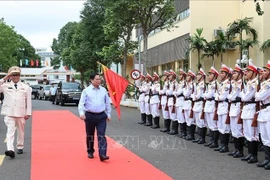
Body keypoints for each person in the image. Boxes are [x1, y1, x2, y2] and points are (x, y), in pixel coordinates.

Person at [78, 72, 111, 161]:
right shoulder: (86, 91)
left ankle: (103, 154)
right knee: (90, 135)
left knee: (101, 135)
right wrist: (81, 113)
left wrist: (109, 114)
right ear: (91, 80)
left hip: (101, 116)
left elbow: (107, 103)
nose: (99, 81)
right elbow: (81, 103)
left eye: (99, 79)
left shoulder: (103, 90)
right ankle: (90, 151)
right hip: (89, 115)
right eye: (96, 79)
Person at [0, 66, 32, 158]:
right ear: (10, 76)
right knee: (10, 132)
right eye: (13, 75)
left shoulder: (25, 87)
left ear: (19, 76)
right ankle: (10, 150)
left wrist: (28, 112)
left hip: (21, 112)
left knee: (20, 131)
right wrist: (5, 78)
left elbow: (28, 101)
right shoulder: (5, 86)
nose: (15, 77)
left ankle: (20, 146)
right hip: (9, 112)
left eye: (17, 75)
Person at [239, 59, 259, 164]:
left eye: (248, 71)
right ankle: (250, 154)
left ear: (254, 73)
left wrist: (243, 95)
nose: (246, 73)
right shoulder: (248, 83)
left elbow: (246, 97)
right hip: (246, 110)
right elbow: (243, 96)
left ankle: (254, 156)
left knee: (252, 134)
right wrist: (243, 95)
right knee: (247, 133)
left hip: (251, 109)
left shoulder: (255, 83)